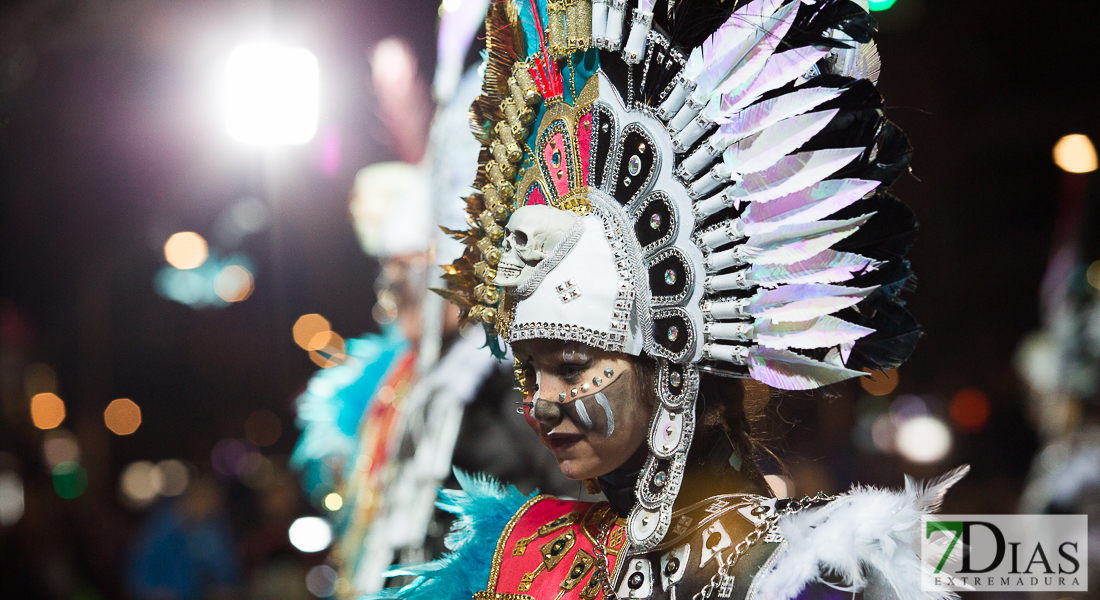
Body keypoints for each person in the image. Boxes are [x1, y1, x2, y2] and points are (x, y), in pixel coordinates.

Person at [377, 1, 965, 600]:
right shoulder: (521, 549)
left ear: (668, 358)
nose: (543, 404)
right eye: (530, 371)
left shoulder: (803, 566)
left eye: (572, 366)